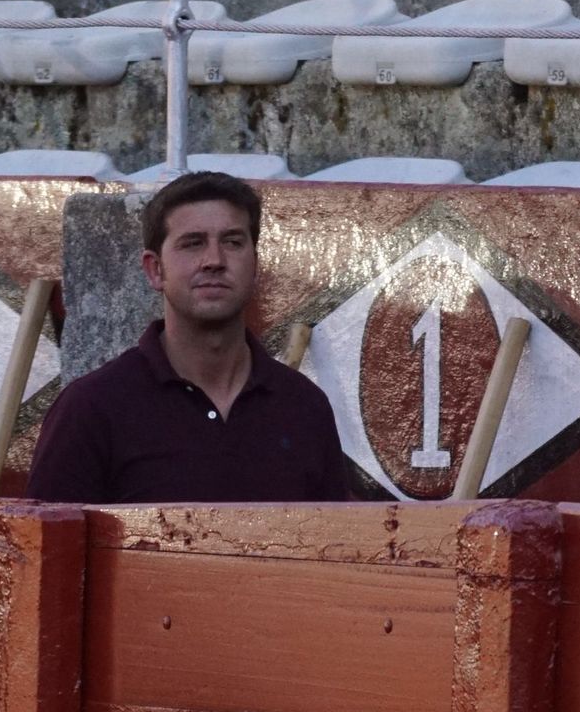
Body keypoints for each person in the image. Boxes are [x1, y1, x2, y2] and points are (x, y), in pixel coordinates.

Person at [26, 172, 348, 504]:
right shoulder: (92, 409)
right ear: (155, 270)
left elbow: (337, 550)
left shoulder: (304, 407)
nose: (214, 261)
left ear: (255, 266)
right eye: (192, 243)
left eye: (233, 242)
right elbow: (44, 550)